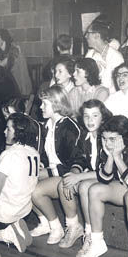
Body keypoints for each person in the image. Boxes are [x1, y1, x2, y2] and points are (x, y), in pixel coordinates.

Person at [79, 114, 128, 257]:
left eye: (112, 139)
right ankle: (97, 242)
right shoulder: (108, 146)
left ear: (124, 136)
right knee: (95, 190)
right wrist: (111, 156)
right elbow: (104, 179)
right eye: (104, 139)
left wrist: (117, 157)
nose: (108, 143)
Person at [52, 99, 110, 252]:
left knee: (84, 186)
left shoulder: (106, 137)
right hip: (94, 176)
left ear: (102, 117)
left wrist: (78, 177)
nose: (90, 120)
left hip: (111, 178)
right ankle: (73, 227)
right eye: (86, 116)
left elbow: (107, 172)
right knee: (64, 182)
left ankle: (90, 234)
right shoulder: (85, 136)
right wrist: (75, 172)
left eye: (95, 116)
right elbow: (80, 159)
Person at [0, 112, 41, 253]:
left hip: (4, 214)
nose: (4, 131)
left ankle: (4, 234)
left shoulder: (8, 155)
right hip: (23, 210)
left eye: (8, 129)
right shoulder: (34, 153)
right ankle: (14, 226)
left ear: (18, 133)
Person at [29, 86, 81, 242]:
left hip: (68, 174)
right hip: (53, 172)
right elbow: (47, 155)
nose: (40, 107)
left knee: (36, 191)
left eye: (44, 104)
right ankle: (47, 223)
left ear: (57, 104)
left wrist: (48, 172)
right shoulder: (47, 126)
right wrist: (41, 164)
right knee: (24, 181)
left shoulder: (69, 127)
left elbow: (75, 161)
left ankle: (65, 226)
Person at [84, 21, 124, 94]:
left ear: (97, 36)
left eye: (88, 33)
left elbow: (118, 85)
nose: (85, 36)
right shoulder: (89, 55)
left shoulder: (116, 57)